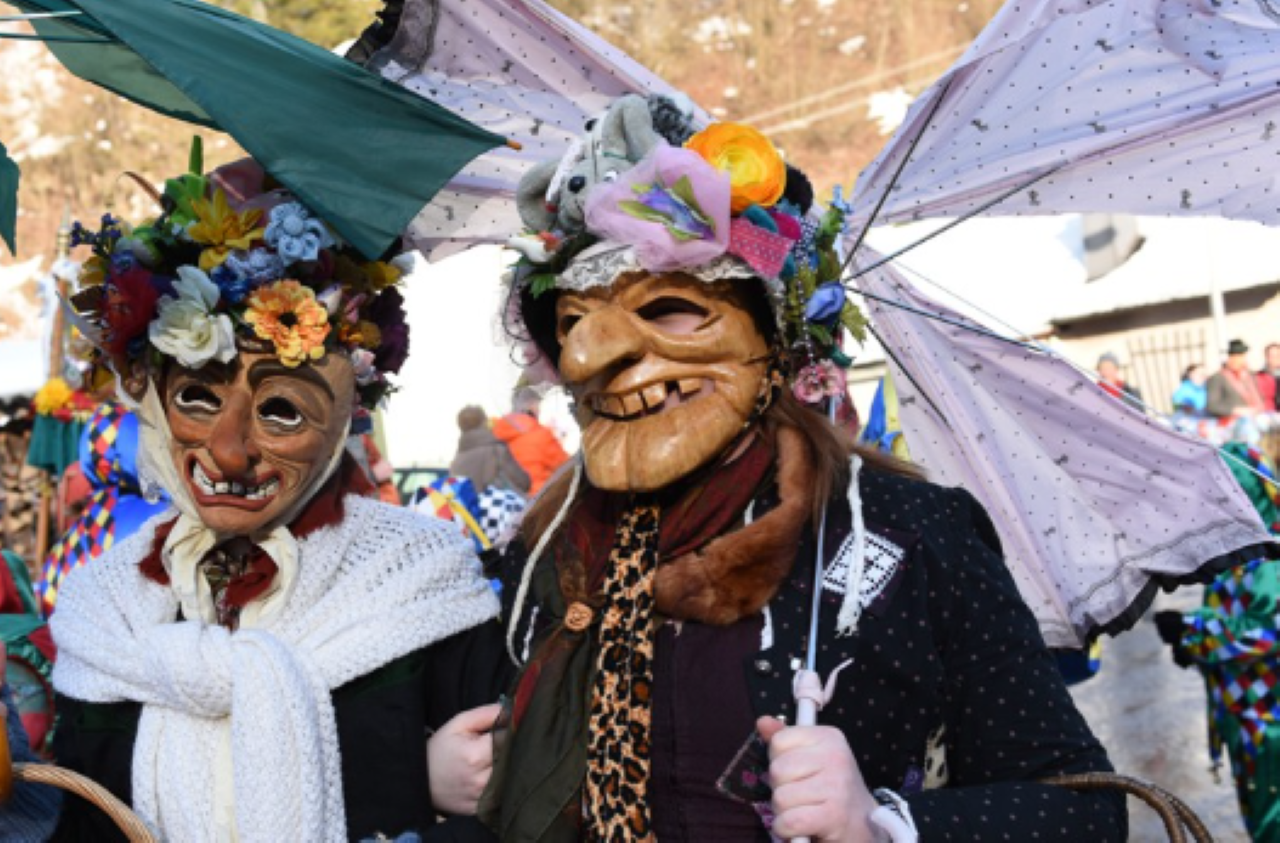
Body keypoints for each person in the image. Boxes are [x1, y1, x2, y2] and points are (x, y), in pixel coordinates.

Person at [473, 100, 1126, 841]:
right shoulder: (546, 554)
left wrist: (883, 827)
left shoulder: (912, 531)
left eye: (669, 306)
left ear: (776, 338)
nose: (592, 355)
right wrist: (440, 778)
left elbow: (1085, 809)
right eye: (570, 323)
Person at [40, 155, 505, 842]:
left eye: (282, 409)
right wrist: (405, 771)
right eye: (197, 397)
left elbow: (509, 809)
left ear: (346, 414)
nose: (231, 450)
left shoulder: (417, 581)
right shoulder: (102, 608)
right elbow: (86, 818)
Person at [1155, 441, 1280, 842]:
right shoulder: (1239, 552)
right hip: (1244, 717)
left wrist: (1192, 632)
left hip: (1269, 721)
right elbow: (1230, 616)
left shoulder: (1273, 553)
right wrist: (1192, 644)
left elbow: (1267, 630)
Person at [492, 387, 569, 496]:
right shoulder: (539, 435)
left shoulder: (496, 441)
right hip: (549, 497)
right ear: (532, 407)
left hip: (523, 506)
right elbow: (566, 466)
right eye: (539, 408)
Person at [450, 405, 531, 497]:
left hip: (469, 511)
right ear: (484, 422)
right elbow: (524, 483)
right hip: (498, 508)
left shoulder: (456, 462)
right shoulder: (496, 450)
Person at [1258, 343, 1280, 412]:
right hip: (1268, 414)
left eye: (1277, 355)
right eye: (1272, 356)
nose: (1275, 359)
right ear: (1266, 357)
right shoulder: (1259, 377)